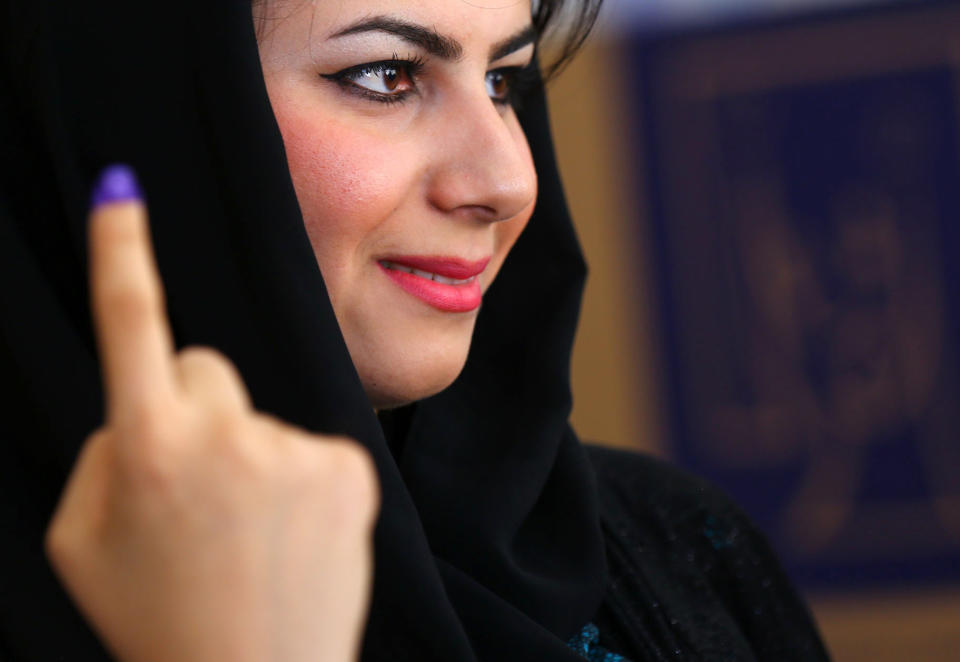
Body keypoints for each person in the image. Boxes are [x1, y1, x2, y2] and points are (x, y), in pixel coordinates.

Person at [0, 0, 831, 660]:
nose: (506, 180)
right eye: (386, 75)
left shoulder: (682, 548)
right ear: (144, 117)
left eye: (505, 81)